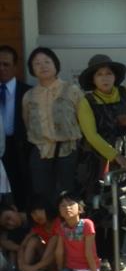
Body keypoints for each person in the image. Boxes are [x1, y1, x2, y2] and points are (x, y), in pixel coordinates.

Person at [75, 54, 126, 267]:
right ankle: (100, 256)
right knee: (97, 210)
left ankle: (117, 255)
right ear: (93, 79)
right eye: (99, 74)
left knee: (122, 209)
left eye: (108, 73)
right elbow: (90, 134)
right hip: (94, 163)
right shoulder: (86, 101)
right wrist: (115, 157)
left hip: (124, 160)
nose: (105, 78)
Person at [21, 46, 84, 204]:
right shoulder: (29, 96)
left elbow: (83, 121)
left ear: (56, 65)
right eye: (37, 63)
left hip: (68, 151)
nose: (43, 66)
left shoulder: (72, 90)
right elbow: (27, 122)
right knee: (43, 199)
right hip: (40, 153)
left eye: (47, 62)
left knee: (68, 199)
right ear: (31, 69)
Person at [42, 190, 118, 271]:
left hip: (86, 269)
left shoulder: (87, 224)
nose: (67, 208)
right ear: (59, 210)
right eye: (62, 206)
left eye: (71, 204)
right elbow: (59, 252)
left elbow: (89, 252)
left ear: (80, 208)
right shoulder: (62, 227)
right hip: (69, 269)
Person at [0, 45, 32, 209]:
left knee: (21, 191)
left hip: (20, 148)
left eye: (6, 64)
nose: (1, 68)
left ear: (15, 66)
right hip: (0, 147)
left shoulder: (28, 92)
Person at [5, 197, 57, 271]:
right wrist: (22, 265)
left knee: (53, 240)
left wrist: (33, 268)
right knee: (33, 240)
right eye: (33, 213)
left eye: (40, 210)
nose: (37, 215)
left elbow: (53, 254)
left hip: (58, 261)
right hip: (44, 261)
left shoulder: (58, 223)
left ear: (47, 209)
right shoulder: (38, 227)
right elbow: (23, 246)